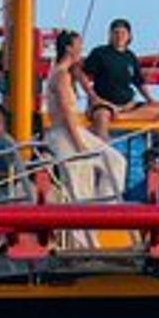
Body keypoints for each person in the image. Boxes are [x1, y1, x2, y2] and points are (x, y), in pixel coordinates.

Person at [41, 31, 126, 202]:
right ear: (69, 48)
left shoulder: (65, 72)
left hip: (70, 131)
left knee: (115, 162)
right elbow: (66, 111)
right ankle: (95, 216)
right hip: (65, 134)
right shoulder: (61, 75)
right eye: (78, 45)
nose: (81, 48)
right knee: (78, 185)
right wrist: (78, 143)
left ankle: (103, 211)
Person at [82, 18, 159, 118]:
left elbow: (139, 82)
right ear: (110, 35)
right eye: (116, 33)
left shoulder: (131, 56)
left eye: (123, 33)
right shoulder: (99, 53)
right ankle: (113, 118)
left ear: (129, 36)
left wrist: (150, 99)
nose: (119, 36)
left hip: (127, 105)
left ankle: (123, 116)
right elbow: (84, 76)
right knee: (102, 115)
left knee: (158, 109)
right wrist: (92, 97)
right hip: (105, 104)